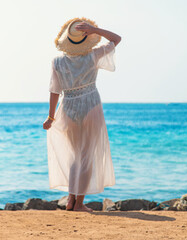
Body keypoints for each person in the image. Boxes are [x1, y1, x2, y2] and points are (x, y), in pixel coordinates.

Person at [43, 17, 121, 212]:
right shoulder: (93, 56)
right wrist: (96, 29)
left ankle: (70, 201)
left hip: (68, 107)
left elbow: (54, 91)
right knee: (87, 157)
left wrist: (51, 117)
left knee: (74, 158)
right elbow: (116, 39)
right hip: (90, 105)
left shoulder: (58, 62)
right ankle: (78, 204)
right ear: (86, 39)